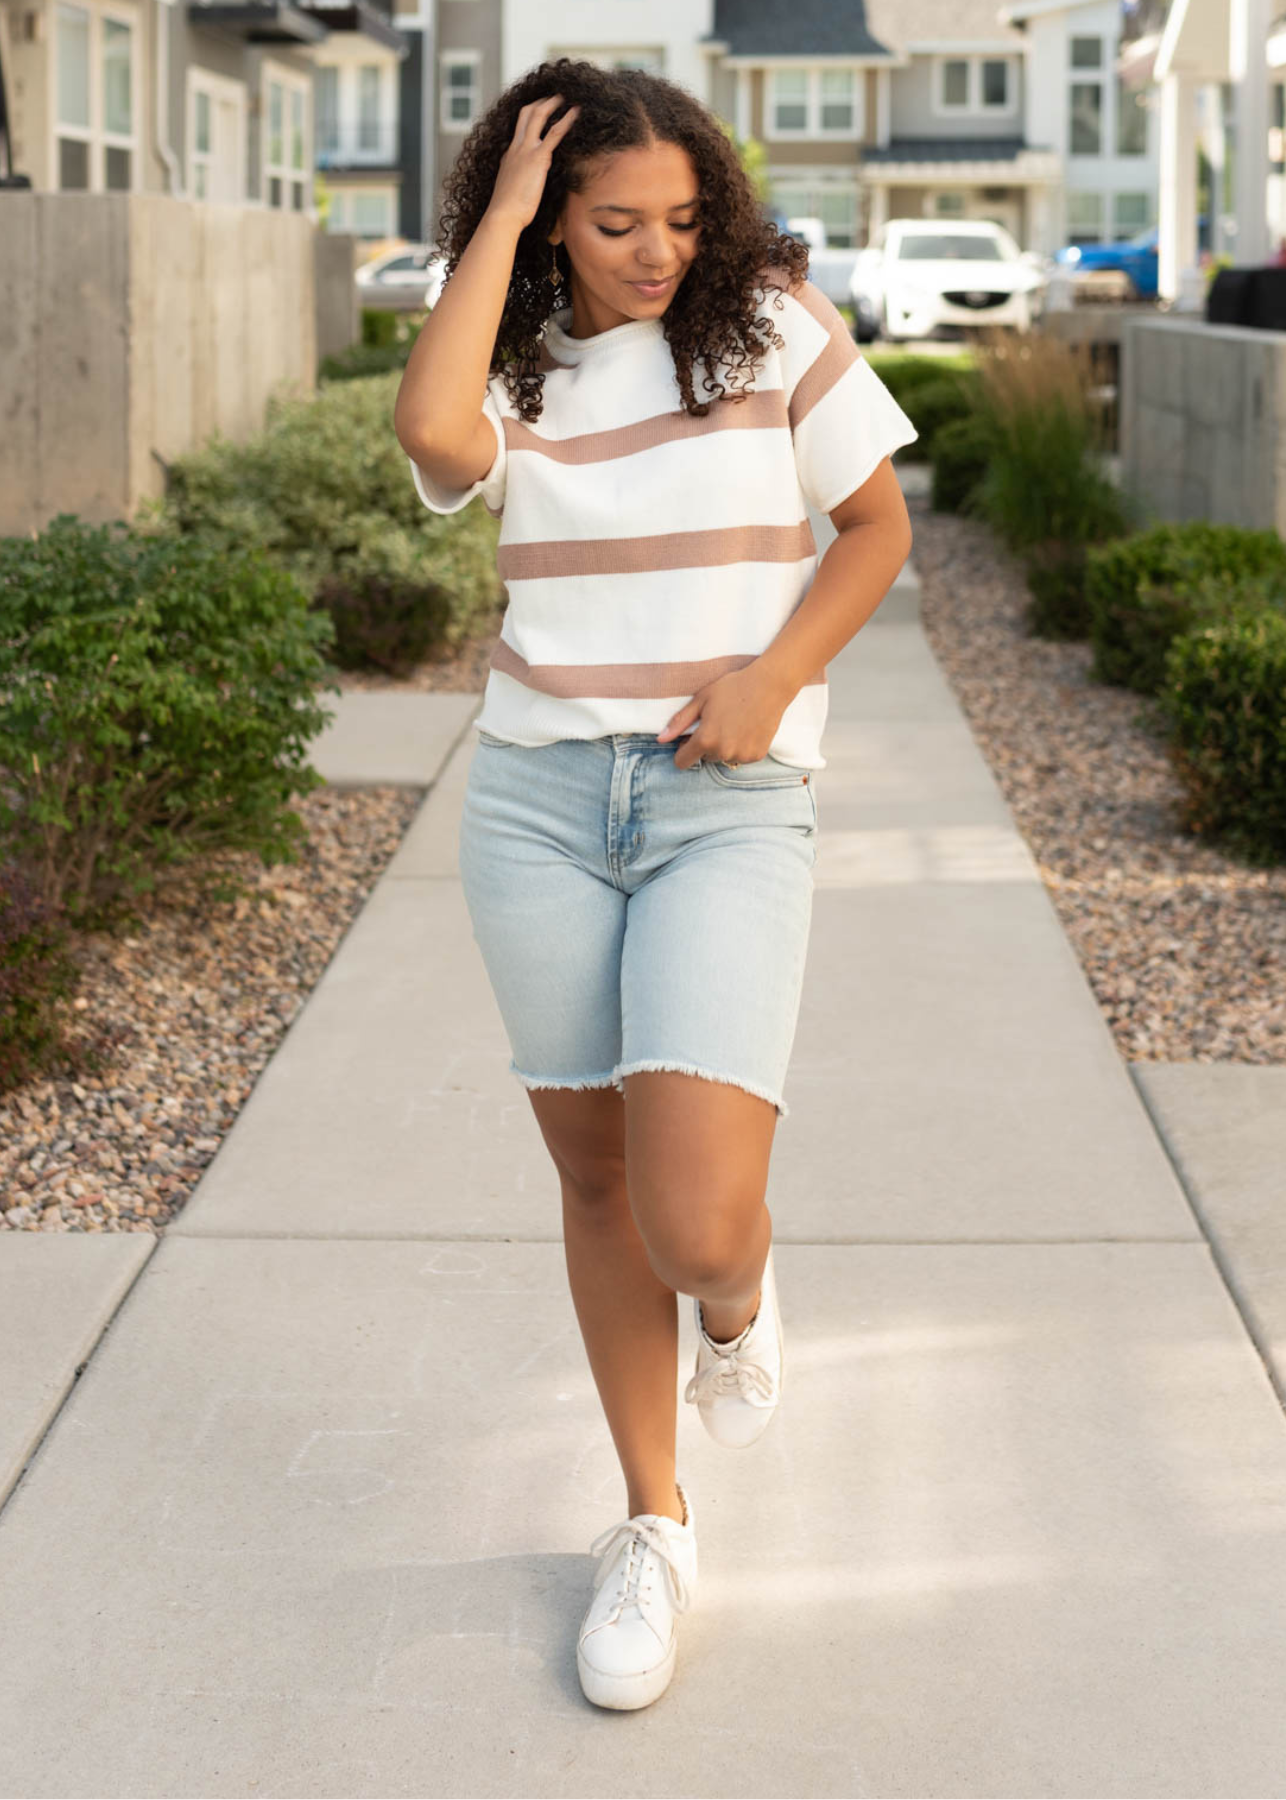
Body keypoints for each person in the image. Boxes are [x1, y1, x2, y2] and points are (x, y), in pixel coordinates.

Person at [393, 57, 915, 1713]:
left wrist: (770, 678)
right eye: (613, 222)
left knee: (696, 1222)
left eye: (681, 219)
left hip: (723, 802)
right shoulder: (522, 366)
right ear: (549, 223)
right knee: (597, 1178)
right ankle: (651, 1523)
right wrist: (495, 228)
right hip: (539, 805)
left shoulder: (767, 332)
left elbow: (876, 527)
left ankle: (743, 1303)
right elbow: (426, 430)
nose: (653, 252)